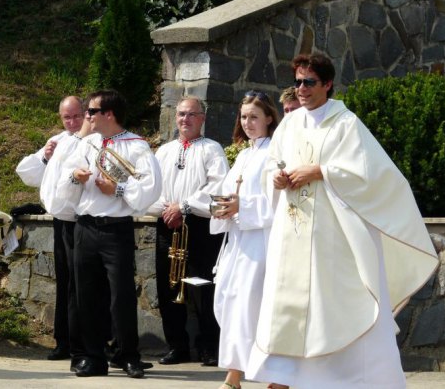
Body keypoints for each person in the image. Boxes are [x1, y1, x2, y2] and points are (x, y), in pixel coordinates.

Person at [246, 53, 439, 389]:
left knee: (335, 307)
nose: (301, 89)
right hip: (293, 233)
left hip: (331, 237)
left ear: (328, 84)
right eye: (297, 82)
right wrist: (276, 179)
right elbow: (272, 166)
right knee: (286, 307)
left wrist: (320, 171)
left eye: (309, 82)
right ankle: (283, 378)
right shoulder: (290, 124)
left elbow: (374, 176)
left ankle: (343, 378)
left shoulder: (345, 123)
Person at [57, 89, 161, 379]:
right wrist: (74, 178)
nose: (86, 116)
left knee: (121, 295)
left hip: (116, 229)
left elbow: (150, 189)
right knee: (86, 295)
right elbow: (64, 183)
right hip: (86, 226)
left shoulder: (137, 146)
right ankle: (93, 357)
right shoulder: (86, 144)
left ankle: (128, 355)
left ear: (109, 114)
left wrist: (116, 189)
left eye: (91, 111)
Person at [147, 96, 229, 367]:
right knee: (169, 286)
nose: (185, 119)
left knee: (204, 286)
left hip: (199, 225)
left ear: (202, 119)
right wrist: (167, 210)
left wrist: (184, 207)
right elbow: (150, 186)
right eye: (181, 114)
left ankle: (209, 347)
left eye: (192, 114)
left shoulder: (212, 148)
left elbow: (218, 187)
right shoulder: (164, 151)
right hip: (167, 223)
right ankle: (177, 346)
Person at [210, 91, 279, 389]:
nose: (248, 122)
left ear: (269, 118)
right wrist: (221, 210)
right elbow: (228, 193)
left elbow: (277, 203)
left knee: (251, 308)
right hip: (237, 241)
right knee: (227, 302)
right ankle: (236, 371)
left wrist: (243, 207)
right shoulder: (243, 155)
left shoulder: (274, 154)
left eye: (254, 116)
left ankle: (240, 376)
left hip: (259, 243)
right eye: (243, 117)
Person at [16, 96, 84, 361]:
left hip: (90, 220)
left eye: (76, 116)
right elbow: (26, 172)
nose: (72, 122)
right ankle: (63, 341)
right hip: (63, 221)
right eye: (67, 117)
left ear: (85, 113)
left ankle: (90, 342)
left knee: (88, 283)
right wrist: (45, 157)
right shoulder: (58, 141)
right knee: (65, 281)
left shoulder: (97, 138)